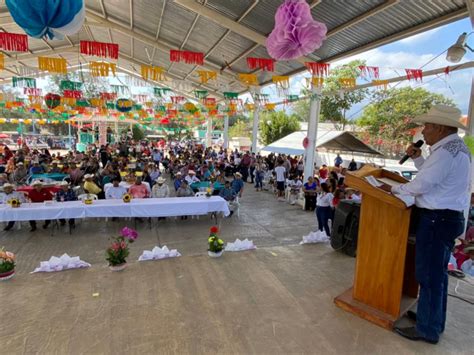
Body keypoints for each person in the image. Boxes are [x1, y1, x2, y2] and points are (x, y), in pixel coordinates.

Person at [378, 105, 470, 344]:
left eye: (428, 126)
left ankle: (427, 329)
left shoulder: (444, 153)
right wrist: (420, 160)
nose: (423, 131)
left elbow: (422, 185)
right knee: (438, 275)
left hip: (437, 219)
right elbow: (437, 179)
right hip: (448, 217)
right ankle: (433, 320)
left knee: (429, 275)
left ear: (440, 128)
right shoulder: (455, 148)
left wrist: (393, 188)